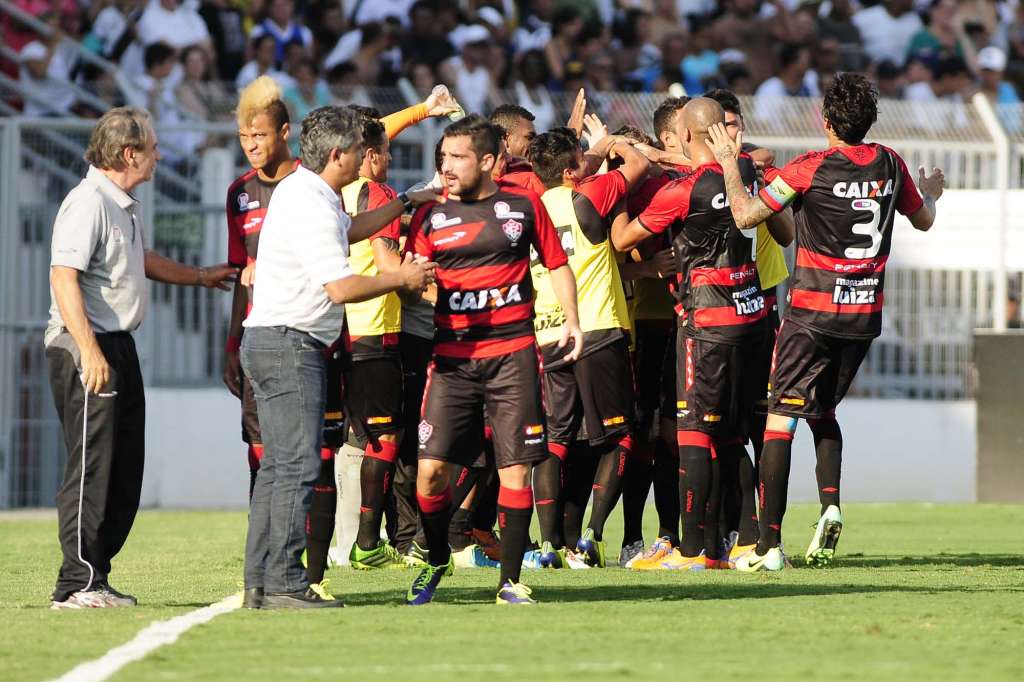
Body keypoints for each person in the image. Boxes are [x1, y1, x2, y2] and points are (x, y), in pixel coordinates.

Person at [705, 73, 945, 571]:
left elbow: (748, 216)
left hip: (811, 314)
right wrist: (930, 193)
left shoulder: (809, 168)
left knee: (780, 418)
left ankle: (768, 547)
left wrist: (731, 163)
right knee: (822, 410)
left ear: (827, 121)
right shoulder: (891, 163)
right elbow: (924, 220)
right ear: (870, 121)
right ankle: (831, 503)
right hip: (862, 318)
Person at [240, 105, 436, 609]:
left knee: (280, 467)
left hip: (277, 339)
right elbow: (342, 286)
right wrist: (402, 278)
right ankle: (285, 582)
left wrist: (407, 201)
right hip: (289, 344)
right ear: (337, 154)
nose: (364, 158)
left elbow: (349, 230)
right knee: (297, 467)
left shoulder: (308, 192)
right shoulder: (310, 201)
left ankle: (261, 581)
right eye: (357, 150)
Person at [47, 107, 237, 609]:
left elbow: (140, 260)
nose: (158, 157)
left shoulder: (122, 204)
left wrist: (199, 275)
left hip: (117, 345)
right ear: (128, 154)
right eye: (152, 148)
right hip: (86, 343)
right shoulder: (87, 202)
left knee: (124, 468)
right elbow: (62, 276)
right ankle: (76, 582)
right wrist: (89, 349)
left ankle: (97, 575)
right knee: (93, 465)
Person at [405, 115, 582, 605]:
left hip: (513, 357)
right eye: (442, 157)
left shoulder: (523, 205)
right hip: (452, 361)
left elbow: (557, 263)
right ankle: (438, 554)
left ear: (487, 161)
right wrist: (427, 286)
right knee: (431, 474)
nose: (447, 166)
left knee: (514, 470)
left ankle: (509, 581)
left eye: (457, 157)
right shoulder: (429, 215)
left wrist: (571, 318)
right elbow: (413, 280)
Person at [613, 98, 790, 571]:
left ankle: (691, 552)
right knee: (733, 436)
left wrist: (618, 194)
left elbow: (623, 240)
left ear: (687, 135)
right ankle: (745, 543)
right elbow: (768, 174)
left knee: (693, 433)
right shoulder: (750, 171)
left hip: (705, 324)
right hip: (753, 316)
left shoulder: (682, 192)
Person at [525, 129, 649, 569]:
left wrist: (587, 148)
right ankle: (591, 538)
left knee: (556, 439)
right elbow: (639, 166)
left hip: (548, 333)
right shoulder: (591, 194)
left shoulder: (531, 207)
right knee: (621, 437)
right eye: (582, 158)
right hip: (596, 329)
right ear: (569, 170)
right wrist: (614, 142)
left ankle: (546, 545)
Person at [338, 114, 408, 570]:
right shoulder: (378, 194)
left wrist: (422, 108)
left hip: (339, 328)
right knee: (386, 437)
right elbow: (387, 264)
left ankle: (343, 539)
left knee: (354, 436)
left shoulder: (333, 190)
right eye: (386, 152)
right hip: (375, 326)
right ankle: (366, 542)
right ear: (370, 156)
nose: (388, 160)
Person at [223, 76, 298, 499]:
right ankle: (265, 542)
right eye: (243, 136)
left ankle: (312, 550)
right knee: (258, 442)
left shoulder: (310, 185)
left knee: (312, 446)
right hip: (256, 336)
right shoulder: (239, 193)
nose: (250, 144)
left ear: (285, 132)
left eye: (259, 135)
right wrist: (231, 345)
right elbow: (239, 276)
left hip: (305, 334)